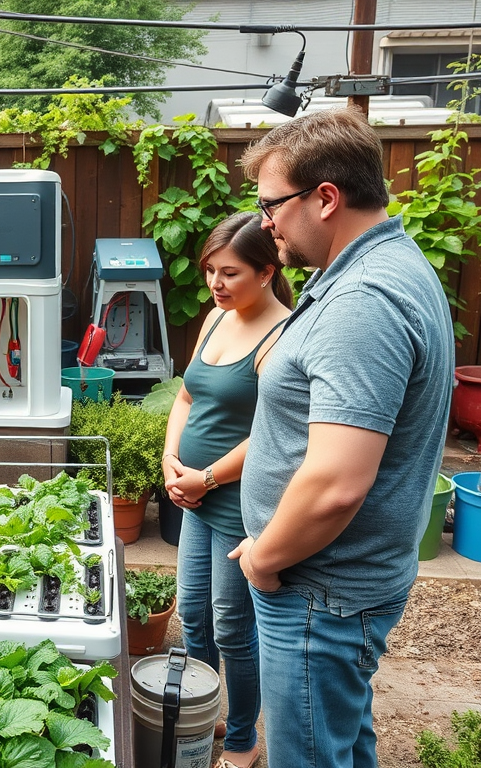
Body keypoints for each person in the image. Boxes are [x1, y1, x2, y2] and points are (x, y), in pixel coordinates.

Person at [231, 107, 454, 768]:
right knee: (339, 742)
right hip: (329, 583)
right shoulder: (381, 264)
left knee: (308, 755)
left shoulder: (365, 301)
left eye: (272, 203)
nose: (263, 220)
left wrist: (267, 558)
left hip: (315, 593)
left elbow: (334, 486)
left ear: (326, 197)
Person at [162, 212, 292, 768]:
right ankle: (208, 708)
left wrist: (207, 476)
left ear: (266, 271)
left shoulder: (282, 333)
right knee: (192, 614)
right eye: (210, 270)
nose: (215, 284)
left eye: (230, 273)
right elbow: (187, 397)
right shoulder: (217, 319)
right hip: (192, 495)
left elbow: (272, 432)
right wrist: (170, 460)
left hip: (238, 503)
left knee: (233, 627)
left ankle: (242, 738)